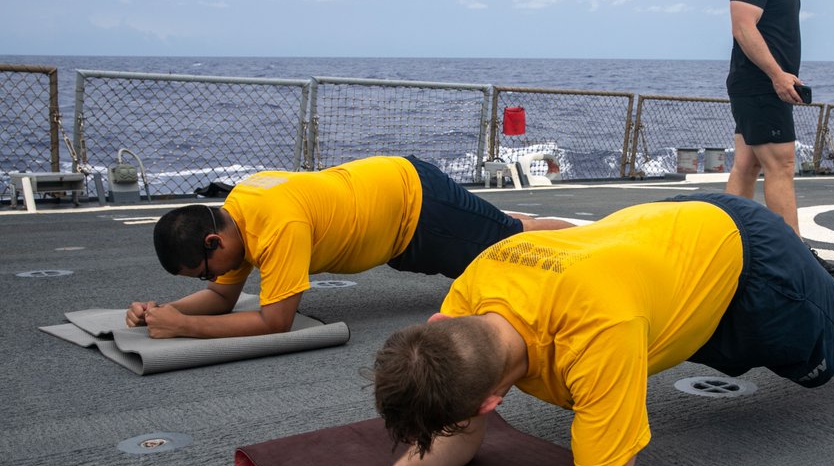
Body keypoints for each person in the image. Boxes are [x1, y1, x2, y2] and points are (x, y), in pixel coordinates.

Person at [334, 193, 834, 466]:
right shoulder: (470, 297)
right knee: (813, 334)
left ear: (492, 402)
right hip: (660, 252)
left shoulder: (596, 339)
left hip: (743, 262)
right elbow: (457, 432)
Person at [124, 156, 571, 339]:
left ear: (212, 241)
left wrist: (186, 326)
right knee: (506, 230)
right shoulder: (238, 210)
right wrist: (163, 310)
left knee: (510, 245)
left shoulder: (278, 224)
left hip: (418, 209)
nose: (212, 278)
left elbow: (275, 320)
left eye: (203, 270)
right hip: (398, 218)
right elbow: (223, 297)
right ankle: (573, 234)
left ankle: (590, 241)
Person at [724, 0, 834, 277]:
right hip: (763, 86)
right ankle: (794, 256)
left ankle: (728, 247)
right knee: (781, 164)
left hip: (759, 86)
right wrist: (777, 76)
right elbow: (742, 27)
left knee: (746, 165)